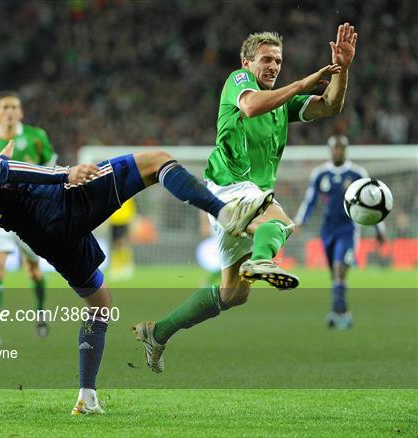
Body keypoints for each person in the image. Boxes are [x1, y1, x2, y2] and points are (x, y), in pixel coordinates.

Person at [0, 109, 271, 414]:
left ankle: (87, 396)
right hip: (56, 202)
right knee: (157, 161)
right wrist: (64, 173)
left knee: (100, 303)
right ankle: (224, 213)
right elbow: (2, 174)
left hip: (40, 234)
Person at [133, 23, 357, 373]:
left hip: (244, 195)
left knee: (233, 294)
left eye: (278, 61)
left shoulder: (283, 104)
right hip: (229, 186)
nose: (273, 66)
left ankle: (158, 333)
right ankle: (263, 260)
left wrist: (341, 69)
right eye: (266, 59)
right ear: (247, 63)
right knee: (281, 223)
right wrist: (303, 82)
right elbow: (251, 107)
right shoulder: (238, 83)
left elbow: (330, 106)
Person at [0, 91, 57, 346]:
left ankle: (41, 311)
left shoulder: (37, 136)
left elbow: (51, 168)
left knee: (33, 270)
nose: (10, 111)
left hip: (30, 213)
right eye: (5, 107)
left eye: (15, 106)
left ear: (21, 112)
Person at [294, 135, 386, 329]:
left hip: (348, 229)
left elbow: (375, 203)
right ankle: (343, 312)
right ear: (330, 150)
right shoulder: (320, 174)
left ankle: (335, 313)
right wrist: (300, 221)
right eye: (335, 148)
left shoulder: (357, 174)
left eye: (341, 148)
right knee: (335, 274)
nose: (338, 151)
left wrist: (379, 228)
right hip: (327, 230)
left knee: (339, 269)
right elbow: (310, 200)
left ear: (346, 150)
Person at [107, 199, 136, 281]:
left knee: (122, 244)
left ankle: (126, 266)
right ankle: (115, 268)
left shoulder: (128, 194)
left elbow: (131, 208)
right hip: (114, 222)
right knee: (115, 246)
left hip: (124, 221)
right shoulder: (112, 192)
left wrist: (132, 219)